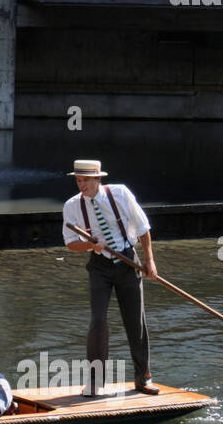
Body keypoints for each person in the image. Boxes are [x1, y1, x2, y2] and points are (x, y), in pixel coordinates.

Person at [62, 159, 159, 396]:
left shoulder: (121, 194)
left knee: (135, 321)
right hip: (99, 266)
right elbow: (70, 243)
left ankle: (143, 377)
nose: (80, 184)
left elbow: (143, 227)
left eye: (85, 180)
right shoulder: (72, 206)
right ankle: (95, 382)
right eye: (77, 180)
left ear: (98, 179)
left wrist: (149, 260)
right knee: (97, 320)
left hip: (128, 261)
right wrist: (90, 246)